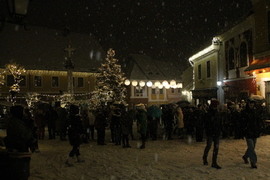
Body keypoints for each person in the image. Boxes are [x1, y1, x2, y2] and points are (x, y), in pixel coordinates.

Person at [4, 105, 34, 180]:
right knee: (21, 172)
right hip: (19, 150)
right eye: (22, 111)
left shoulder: (15, 121)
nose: (24, 113)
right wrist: (30, 128)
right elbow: (26, 135)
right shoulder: (17, 123)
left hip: (18, 149)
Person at [240, 98, 265, 169]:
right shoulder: (244, 112)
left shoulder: (255, 112)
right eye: (250, 103)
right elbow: (242, 123)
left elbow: (258, 121)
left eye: (252, 104)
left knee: (252, 147)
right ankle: (253, 162)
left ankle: (245, 156)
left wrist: (259, 128)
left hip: (254, 131)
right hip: (248, 132)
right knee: (251, 147)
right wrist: (242, 131)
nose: (252, 105)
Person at [203, 99, 222, 169]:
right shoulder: (209, 113)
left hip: (216, 132)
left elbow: (219, 122)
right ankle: (205, 157)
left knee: (216, 147)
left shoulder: (217, 113)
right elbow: (207, 123)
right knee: (209, 146)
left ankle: (214, 162)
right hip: (211, 132)